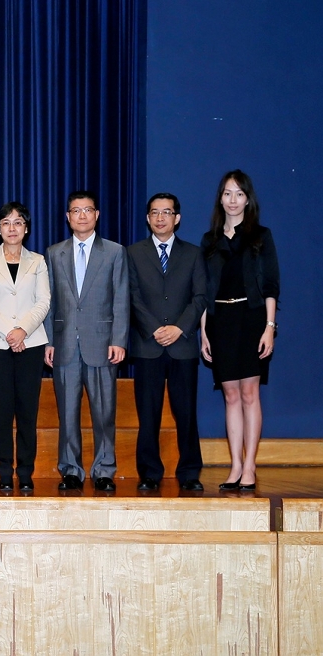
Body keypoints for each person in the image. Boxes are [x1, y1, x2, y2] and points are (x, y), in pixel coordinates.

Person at [44, 190, 129, 493]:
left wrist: (119, 339)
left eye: (87, 210)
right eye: (75, 211)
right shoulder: (55, 253)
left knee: (104, 413)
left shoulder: (115, 252)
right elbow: (50, 300)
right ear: (67, 217)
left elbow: (121, 298)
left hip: (102, 343)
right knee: (67, 413)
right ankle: (71, 470)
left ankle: (104, 469)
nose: (82, 216)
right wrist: (49, 340)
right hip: (65, 345)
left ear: (97, 215)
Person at [200, 170, 279, 493]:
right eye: (227, 193)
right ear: (220, 198)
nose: (233, 200)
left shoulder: (261, 235)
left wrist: (270, 327)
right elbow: (204, 289)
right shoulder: (210, 240)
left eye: (239, 194)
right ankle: (234, 466)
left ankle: (250, 466)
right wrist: (204, 330)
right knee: (230, 396)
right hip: (220, 320)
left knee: (249, 394)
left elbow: (271, 284)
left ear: (248, 199)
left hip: (251, 317)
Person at [126, 193, 207, 492]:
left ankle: (189, 472)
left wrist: (179, 328)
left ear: (177, 218)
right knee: (148, 415)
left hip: (182, 345)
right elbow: (131, 296)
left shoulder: (194, 253)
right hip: (148, 345)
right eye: (155, 213)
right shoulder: (133, 253)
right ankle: (149, 472)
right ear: (147, 218)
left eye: (167, 212)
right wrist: (154, 329)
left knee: (186, 413)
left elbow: (200, 297)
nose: (161, 218)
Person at [0, 202, 49, 493]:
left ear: (26, 228)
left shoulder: (38, 262)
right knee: (2, 411)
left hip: (31, 343)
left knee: (28, 412)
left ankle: (26, 472)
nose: (12, 228)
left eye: (18, 222)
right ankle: (5, 470)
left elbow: (43, 301)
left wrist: (23, 331)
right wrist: (9, 332)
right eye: (6, 223)